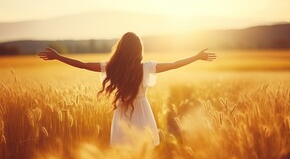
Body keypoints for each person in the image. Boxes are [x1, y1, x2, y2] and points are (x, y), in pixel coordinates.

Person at [38, 32, 217, 148]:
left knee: (124, 151)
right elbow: (174, 65)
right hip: (143, 113)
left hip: (122, 114)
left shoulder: (112, 67)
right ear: (139, 50)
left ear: (121, 49)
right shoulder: (146, 67)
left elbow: (83, 65)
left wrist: (58, 57)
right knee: (144, 151)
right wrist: (196, 57)